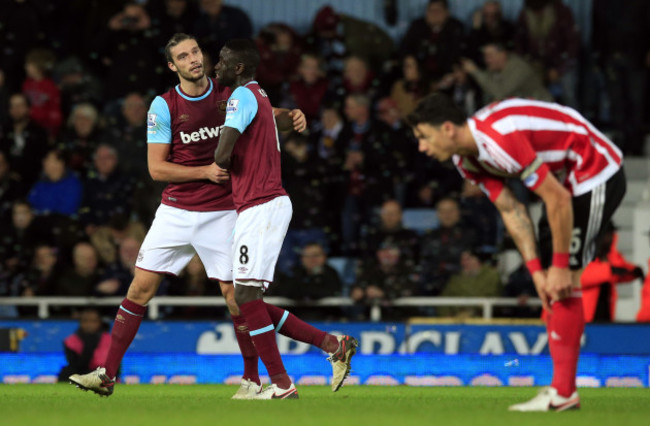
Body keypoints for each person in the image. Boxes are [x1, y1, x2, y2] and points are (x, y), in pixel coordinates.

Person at [68, 33, 307, 399]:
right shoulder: (163, 106)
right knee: (139, 289)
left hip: (224, 210)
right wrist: (205, 172)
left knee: (236, 298)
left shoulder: (230, 94)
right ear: (172, 66)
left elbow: (268, 118)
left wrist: (292, 117)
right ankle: (107, 374)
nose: (194, 59)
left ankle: (251, 379)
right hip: (176, 211)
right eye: (183, 56)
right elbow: (156, 169)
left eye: (195, 51)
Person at [408, 93, 625, 411]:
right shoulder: (465, 160)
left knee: (565, 279)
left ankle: (563, 394)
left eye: (424, 137)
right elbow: (511, 209)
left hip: (595, 169)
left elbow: (558, 200)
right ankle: (562, 392)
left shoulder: (500, 139)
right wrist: (537, 271)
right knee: (551, 279)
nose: (422, 147)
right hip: (567, 180)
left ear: (447, 129)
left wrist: (561, 265)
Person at [213, 38, 357, 399]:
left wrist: (219, 165)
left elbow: (222, 150)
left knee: (245, 297)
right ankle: (330, 344)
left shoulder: (241, 97)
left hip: (261, 204)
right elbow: (278, 127)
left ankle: (282, 384)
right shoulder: (259, 97)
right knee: (247, 300)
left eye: (223, 61)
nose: (218, 67)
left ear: (239, 68)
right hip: (261, 204)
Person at [58, 308, 111, 382]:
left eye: (93, 321)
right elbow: (76, 366)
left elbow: (115, 366)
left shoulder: (109, 340)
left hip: (102, 375)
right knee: (66, 372)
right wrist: (89, 344)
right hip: (81, 373)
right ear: (80, 323)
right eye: (85, 321)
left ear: (100, 323)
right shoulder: (70, 341)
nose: (89, 325)